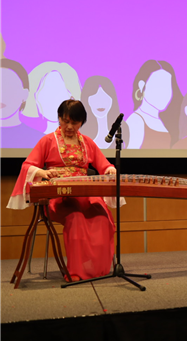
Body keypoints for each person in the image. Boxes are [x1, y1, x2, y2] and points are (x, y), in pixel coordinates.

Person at [7, 100, 118, 282]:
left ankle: (98, 270)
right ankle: (76, 272)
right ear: (59, 118)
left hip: (84, 194)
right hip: (58, 198)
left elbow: (103, 164)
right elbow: (27, 165)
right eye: (65, 121)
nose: (69, 126)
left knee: (102, 217)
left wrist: (109, 169)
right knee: (76, 218)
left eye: (74, 123)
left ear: (81, 122)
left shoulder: (87, 143)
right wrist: (42, 172)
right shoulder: (48, 141)